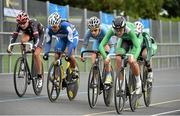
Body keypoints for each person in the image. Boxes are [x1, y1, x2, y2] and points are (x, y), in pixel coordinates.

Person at [99, 16, 143, 94]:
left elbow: (138, 47)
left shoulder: (129, 30)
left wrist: (135, 58)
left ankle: (138, 83)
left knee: (131, 60)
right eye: (117, 30)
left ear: (124, 27)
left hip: (136, 39)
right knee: (118, 58)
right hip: (124, 40)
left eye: (120, 30)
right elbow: (101, 45)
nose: (118, 32)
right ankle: (121, 86)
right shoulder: (112, 30)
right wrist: (106, 57)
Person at [7, 11, 44, 88]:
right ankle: (23, 60)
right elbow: (14, 36)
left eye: (24, 22)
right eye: (20, 23)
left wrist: (34, 47)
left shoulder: (33, 24)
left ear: (27, 20)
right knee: (22, 42)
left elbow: (36, 39)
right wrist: (10, 47)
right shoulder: (19, 25)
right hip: (29, 33)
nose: (22, 25)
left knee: (36, 54)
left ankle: (40, 77)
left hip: (39, 35)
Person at [80, 16, 115, 85]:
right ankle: (96, 79)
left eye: (95, 30)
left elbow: (112, 46)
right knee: (93, 58)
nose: (93, 32)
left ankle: (108, 76)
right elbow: (84, 46)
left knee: (106, 58)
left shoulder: (104, 30)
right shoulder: (88, 32)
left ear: (99, 28)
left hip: (106, 41)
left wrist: (108, 56)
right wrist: (82, 54)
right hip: (97, 41)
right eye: (91, 30)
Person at [43, 12, 79, 79]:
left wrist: (67, 54)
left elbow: (70, 42)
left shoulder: (66, 27)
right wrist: (46, 53)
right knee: (57, 55)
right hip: (62, 39)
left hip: (72, 38)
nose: (53, 29)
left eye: (55, 27)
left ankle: (74, 69)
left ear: (59, 24)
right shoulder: (48, 29)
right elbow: (48, 42)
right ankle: (56, 75)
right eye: (51, 26)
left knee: (70, 55)